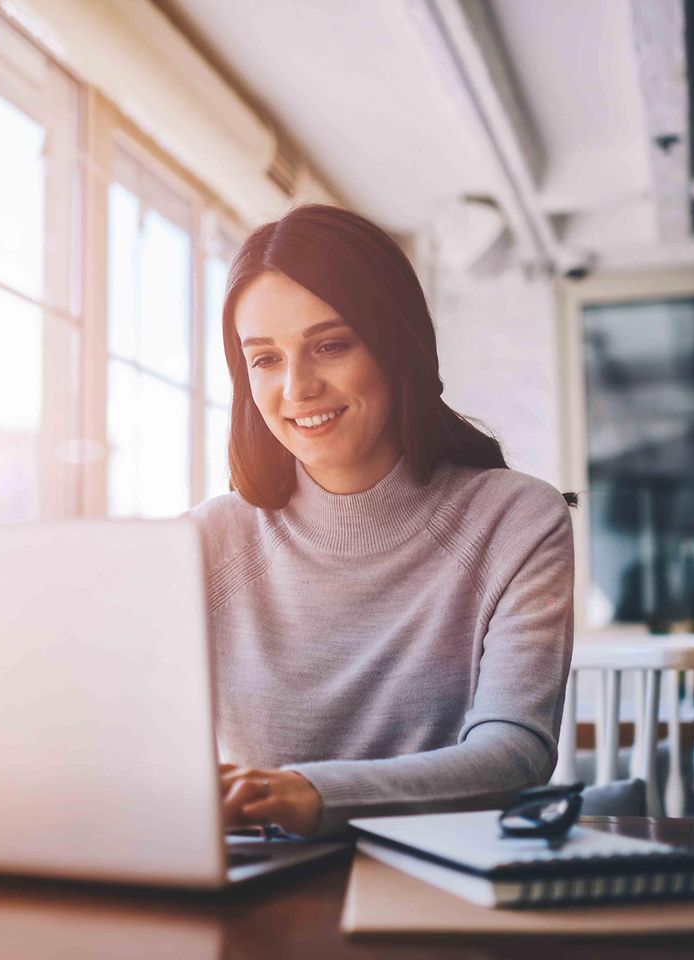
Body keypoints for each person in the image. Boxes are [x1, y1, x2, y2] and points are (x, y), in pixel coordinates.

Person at [195, 204, 576, 838]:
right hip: (257, 893)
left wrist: (312, 793)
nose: (298, 388)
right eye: (264, 359)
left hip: (445, 889)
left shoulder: (516, 520)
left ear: (396, 345)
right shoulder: (205, 541)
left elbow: (516, 755)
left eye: (331, 345)